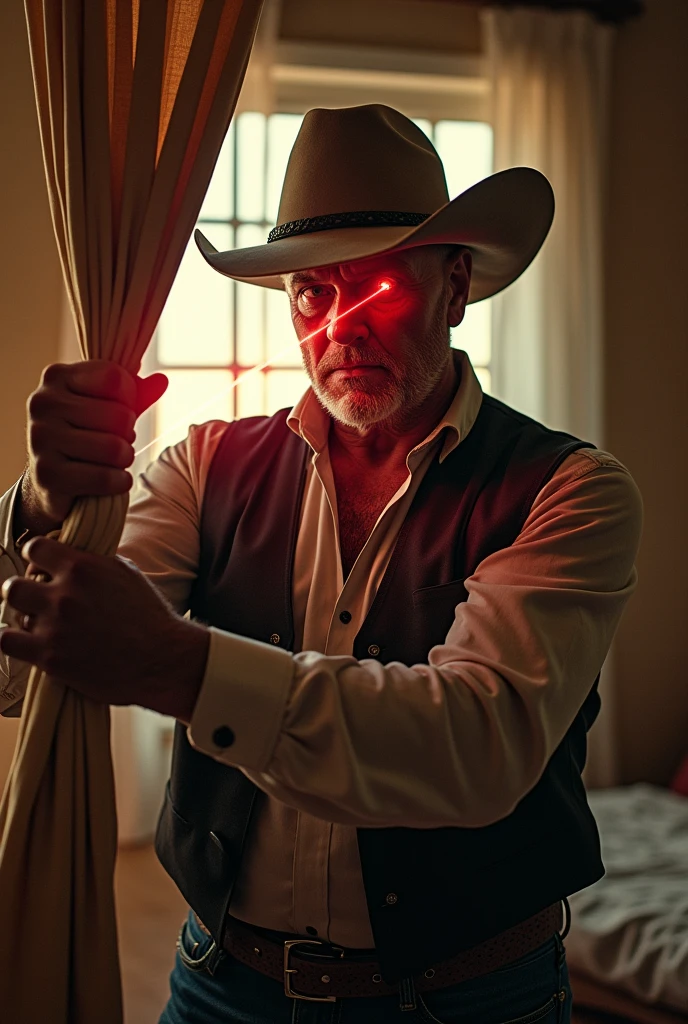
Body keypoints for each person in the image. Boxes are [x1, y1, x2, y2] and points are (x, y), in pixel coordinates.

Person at [0, 105, 642, 1024]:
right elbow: (14, 673)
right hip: (220, 984)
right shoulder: (202, 465)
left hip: (472, 1003)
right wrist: (39, 506)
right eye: (311, 292)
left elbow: (477, 745)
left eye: (377, 286)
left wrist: (176, 664)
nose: (340, 328)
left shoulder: (569, 489)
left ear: (456, 287)